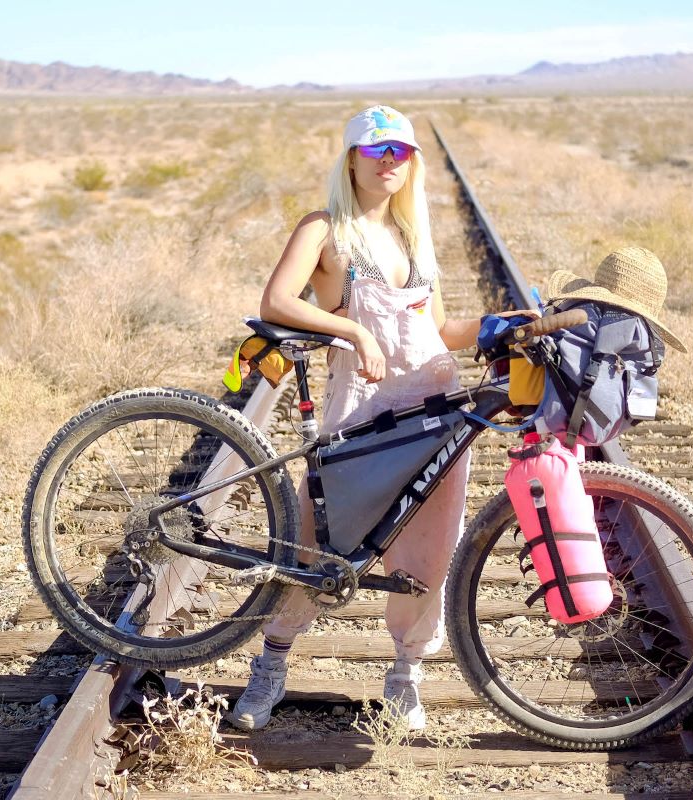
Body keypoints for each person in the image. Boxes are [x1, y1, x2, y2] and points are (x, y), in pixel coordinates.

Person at [228, 105, 534, 732]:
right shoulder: (325, 229)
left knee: (429, 543)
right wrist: (351, 330)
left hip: (433, 408)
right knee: (317, 535)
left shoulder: (413, 236)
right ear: (352, 160)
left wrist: (500, 324)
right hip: (363, 405)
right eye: (377, 151)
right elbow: (278, 300)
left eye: (401, 151)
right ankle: (271, 665)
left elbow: (440, 330)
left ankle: (405, 677)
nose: (390, 160)